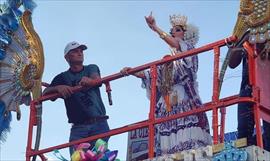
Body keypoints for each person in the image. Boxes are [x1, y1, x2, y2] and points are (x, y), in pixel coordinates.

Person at [123, 13, 211, 158]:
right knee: (169, 140)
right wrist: (131, 71)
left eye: (177, 30)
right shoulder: (168, 63)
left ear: (186, 34)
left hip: (184, 98)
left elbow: (174, 44)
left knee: (188, 139)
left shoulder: (188, 49)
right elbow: (150, 75)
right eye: (172, 31)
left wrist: (155, 28)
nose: (173, 33)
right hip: (168, 105)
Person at [43, 41, 110, 155]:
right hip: (78, 127)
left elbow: (97, 80)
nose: (80, 53)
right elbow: (44, 94)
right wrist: (58, 88)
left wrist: (90, 81)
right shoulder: (62, 77)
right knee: (77, 157)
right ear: (67, 57)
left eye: (81, 51)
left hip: (99, 123)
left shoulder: (91, 68)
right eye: (75, 51)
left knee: (100, 156)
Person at [228, 31, 270, 151]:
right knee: (243, 134)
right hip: (248, 89)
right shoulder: (246, 32)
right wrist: (243, 40)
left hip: (267, 88)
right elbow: (232, 63)